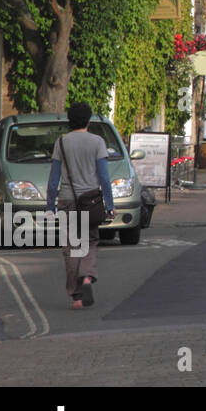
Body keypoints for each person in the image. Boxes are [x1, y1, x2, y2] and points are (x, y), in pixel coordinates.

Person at [46, 103, 115, 310]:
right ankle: (87, 276)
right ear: (88, 120)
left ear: (70, 120)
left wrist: (50, 206)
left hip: (67, 200)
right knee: (91, 240)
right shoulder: (97, 142)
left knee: (71, 247)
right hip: (91, 200)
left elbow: (53, 179)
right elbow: (104, 177)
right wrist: (110, 205)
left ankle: (76, 296)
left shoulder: (61, 143)